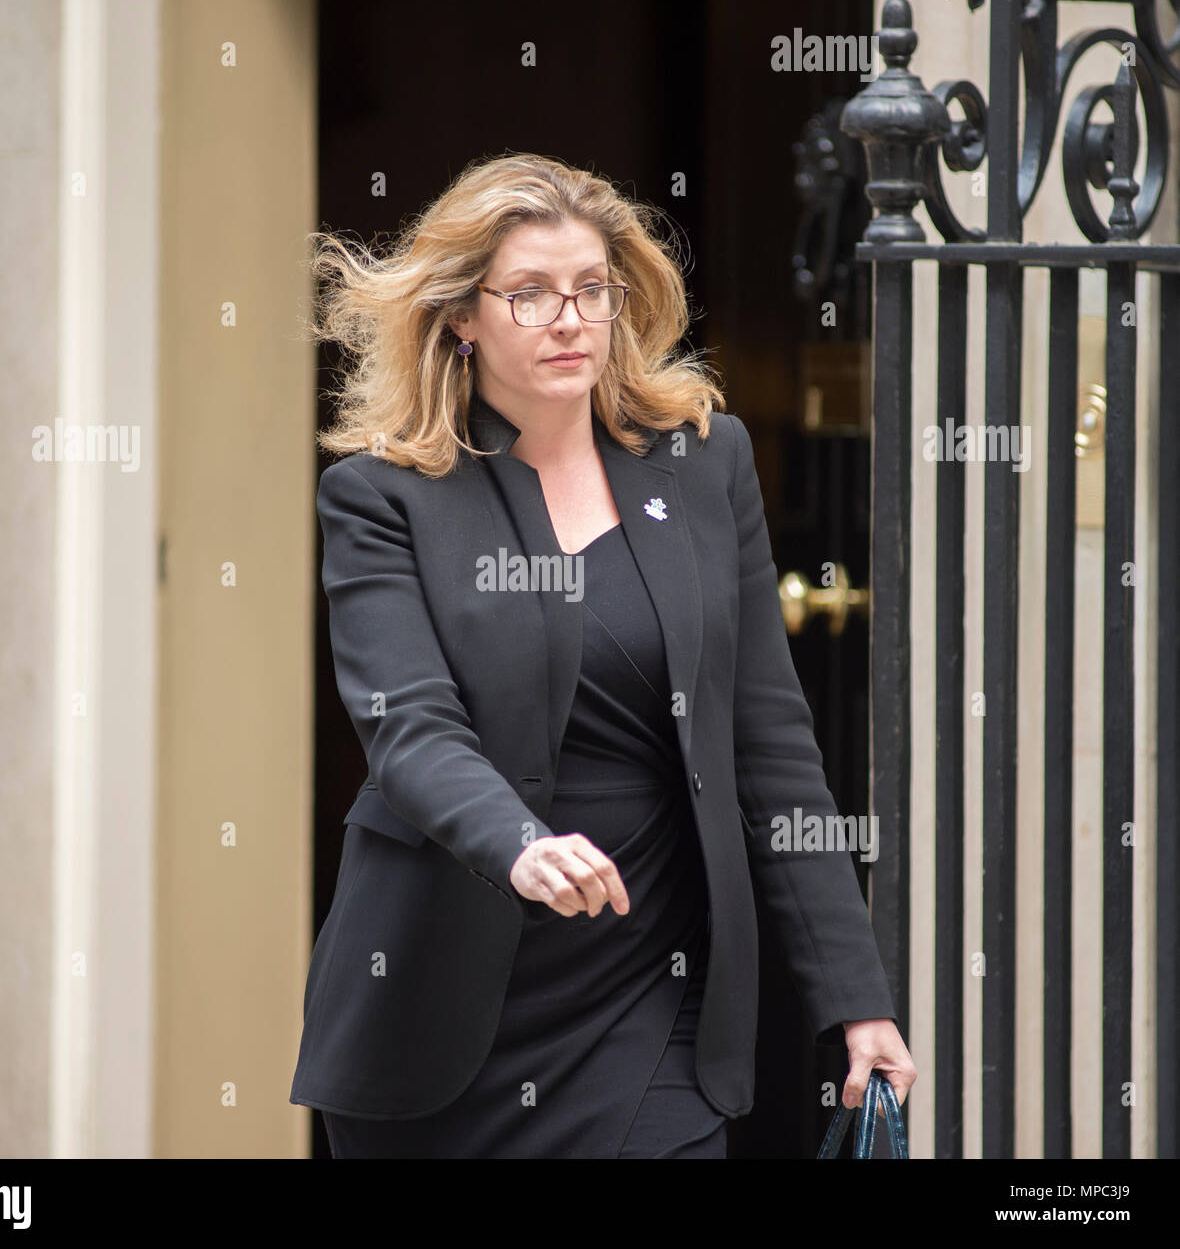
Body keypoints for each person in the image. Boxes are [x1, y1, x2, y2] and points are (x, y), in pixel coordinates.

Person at [289, 152, 915, 1158]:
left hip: (647, 993)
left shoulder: (705, 464)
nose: (569, 318)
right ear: (461, 316)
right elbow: (407, 723)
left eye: (591, 290)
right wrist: (519, 844)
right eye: (529, 295)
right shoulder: (384, 495)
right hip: (442, 1002)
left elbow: (769, 743)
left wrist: (855, 1000)